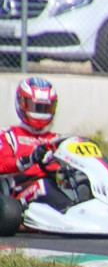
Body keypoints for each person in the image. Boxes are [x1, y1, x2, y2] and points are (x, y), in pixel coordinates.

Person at [0, 77, 71, 209]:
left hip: (56, 185)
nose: (40, 113)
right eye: (35, 107)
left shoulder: (56, 139)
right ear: (21, 103)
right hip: (19, 193)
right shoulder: (9, 136)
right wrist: (30, 159)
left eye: (45, 108)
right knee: (43, 186)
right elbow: (2, 164)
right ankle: (69, 211)